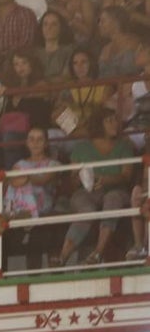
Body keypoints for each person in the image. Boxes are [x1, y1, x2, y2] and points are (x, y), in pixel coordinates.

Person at [53, 108, 134, 267]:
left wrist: (106, 180)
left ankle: (97, 253)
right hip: (86, 192)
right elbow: (73, 180)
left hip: (117, 191)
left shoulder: (124, 146)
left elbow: (126, 175)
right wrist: (82, 177)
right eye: (109, 120)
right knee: (86, 209)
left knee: (113, 199)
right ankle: (63, 257)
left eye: (115, 120)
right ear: (99, 124)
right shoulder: (81, 148)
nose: (115, 124)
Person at [53, 48, 111, 139]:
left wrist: (87, 124)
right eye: (75, 63)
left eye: (84, 62)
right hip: (73, 129)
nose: (79, 67)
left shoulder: (104, 86)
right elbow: (57, 113)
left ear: (91, 63)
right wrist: (76, 126)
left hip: (95, 129)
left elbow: (106, 113)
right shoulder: (68, 87)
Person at [32, 10, 73, 82]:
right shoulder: (34, 53)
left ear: (61, 28)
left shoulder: (70, 50)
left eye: (54, 24)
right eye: (45, 24)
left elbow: (66, 77)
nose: (49, 28)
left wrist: (46, 82)